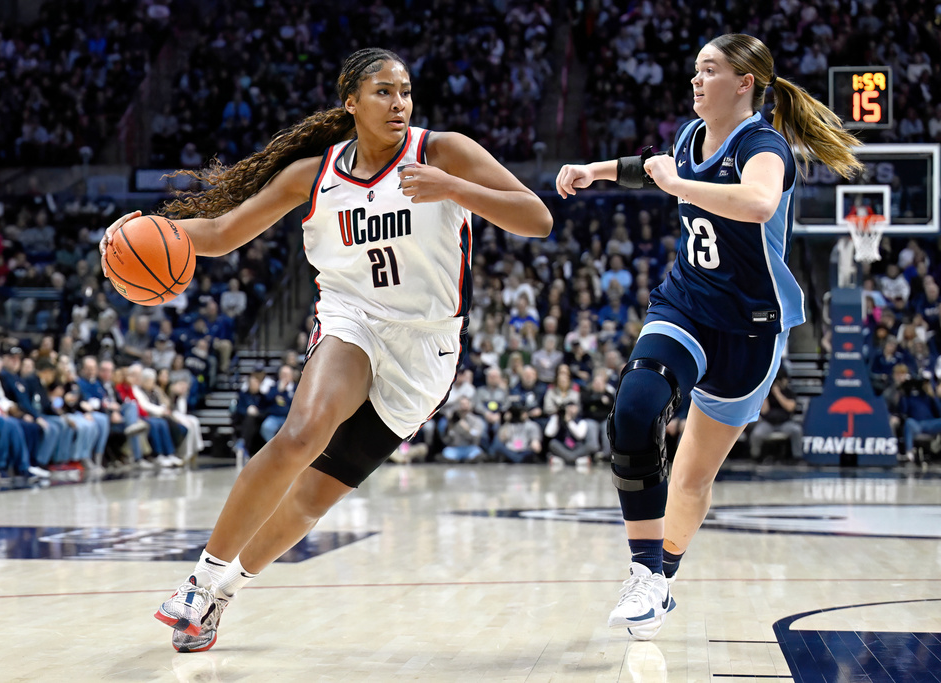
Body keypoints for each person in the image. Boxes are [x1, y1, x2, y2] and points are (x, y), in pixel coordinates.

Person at [99, 47, 551, 653]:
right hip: (352, 320)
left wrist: (453, 188)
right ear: (352, 103)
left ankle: (226, 592)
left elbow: (537, 217)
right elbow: (221, 233)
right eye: (384, 92)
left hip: (427, 347)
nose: (399, 103)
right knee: (301, 432)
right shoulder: (313, 176)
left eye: (406, 92)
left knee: (313, 496)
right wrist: (136, 233)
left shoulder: (442, 153)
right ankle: (198, 583)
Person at [556, 33, 862, 640]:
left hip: (750, 330)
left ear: (744, 83)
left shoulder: (764, 144)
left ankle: (663, 579)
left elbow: (756, 202)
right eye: (694, 71)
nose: (696, 81)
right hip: (685, 306)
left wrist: (675, 186)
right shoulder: (690, 136)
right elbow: (651, 167)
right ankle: (644, 572)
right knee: (636, 411)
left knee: (694, 477)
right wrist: (592, 170)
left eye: (708, 71)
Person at [748, 368, 802, 461]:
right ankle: (755, 457)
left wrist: (778, 394)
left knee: (796, 430)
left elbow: (790, 407)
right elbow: (764, 410)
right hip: (768, 423)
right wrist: (765, 392)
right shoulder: (766, 392)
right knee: (757, 434)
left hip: (785, 422)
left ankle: (797, 458)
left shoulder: (789, 392)